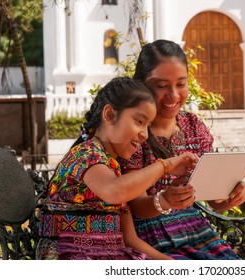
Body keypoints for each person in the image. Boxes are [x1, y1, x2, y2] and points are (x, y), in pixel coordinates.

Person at [36, 76, 198, 260]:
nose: (145, 135)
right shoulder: (85, 154)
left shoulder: (113, 168)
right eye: (139, 121)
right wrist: (165, 165)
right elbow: (115, 190)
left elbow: (129, 239)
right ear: (110, 115)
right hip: (71, 254)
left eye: (148, 126)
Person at [119, 40, 245, 260]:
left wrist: (232, 196)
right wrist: (165, 201)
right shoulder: (134, 133)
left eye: (181, 84)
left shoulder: (193, 126)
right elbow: (135, 204)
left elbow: (214, 200)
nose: (173, 95)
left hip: (198, 232)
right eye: (161, 86)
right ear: (141, 85)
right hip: (149, 238)